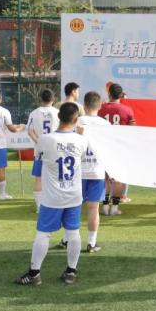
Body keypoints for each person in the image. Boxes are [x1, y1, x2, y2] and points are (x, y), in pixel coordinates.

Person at [14, 103, 88, 285]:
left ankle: (34, 274)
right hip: (73, 195)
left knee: (43, 234)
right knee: (73, 233)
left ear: (58, 117)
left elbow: (40, 159)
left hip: (52, 197)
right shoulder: (81, 140)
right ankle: (71, 271)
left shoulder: (45, 139)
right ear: (76, 120)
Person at [58, 91, 109, 252]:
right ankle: (91, 243)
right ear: (100, 106)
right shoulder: (105, 125)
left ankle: (67, 239)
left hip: (77, 171)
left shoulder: (77, 121)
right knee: (93, 208)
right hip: (97, 171)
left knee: (73, 206)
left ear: (84, 106)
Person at [98, 83, 135, 216]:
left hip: (104, 147)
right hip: (120, 148)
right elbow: (133, 130)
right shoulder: (127, 110)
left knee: (106, 178)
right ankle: (114, 207)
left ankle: (105, 206)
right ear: (121, 95)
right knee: (119, 179)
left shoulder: (101, 109)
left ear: (109, 94)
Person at [0, 87, 25, 200]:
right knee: (0, 169)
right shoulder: (4, 111)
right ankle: (2, 194)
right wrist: (20, 127)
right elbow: (12, 129)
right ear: (1, 98)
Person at [27, 89, 60, 212]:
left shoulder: (34, 113)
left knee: (39, 177)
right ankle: (55, 203)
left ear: (41, 99)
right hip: (55, 149)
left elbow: (30, 131)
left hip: (40, 150)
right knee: (56, 176)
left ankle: (39, 206)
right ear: (53, 99)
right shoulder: (57, 112)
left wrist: (39, 142)